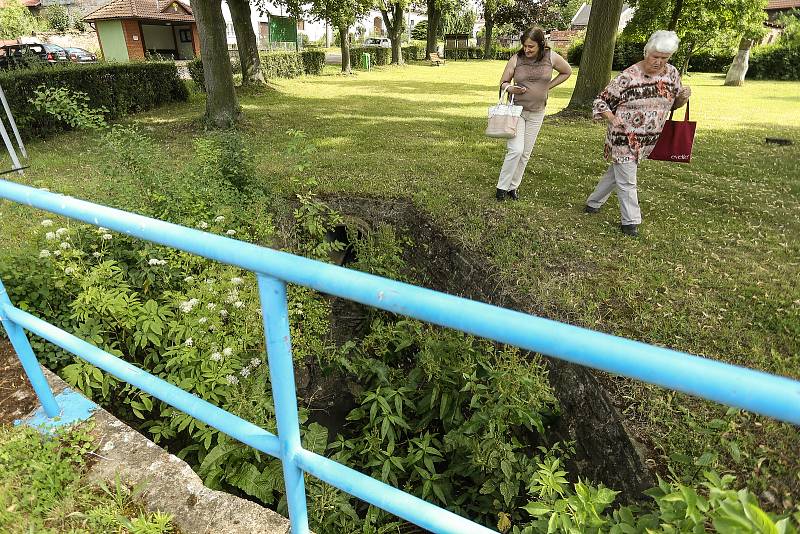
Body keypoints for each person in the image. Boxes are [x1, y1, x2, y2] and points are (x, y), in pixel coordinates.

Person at [584, 30, 692, 236]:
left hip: (648, 138)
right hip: (624, 136)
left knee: (617, 174)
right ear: (646, 52)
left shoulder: (672, 74)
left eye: (664, 58)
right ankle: (630, 222)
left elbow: (672, 105)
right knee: (627, 179)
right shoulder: (628, 76)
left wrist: (683, 98)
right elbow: (601, 100)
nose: (659, 62)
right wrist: (611, 117)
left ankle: (593, 203)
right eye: (655, 56)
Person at [495, 27, 572, 201]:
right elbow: (503, 82)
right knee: (516, 150)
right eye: (525, 46)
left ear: (541, 45)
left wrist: (548, 86)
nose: (527, 50)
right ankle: (501, 187)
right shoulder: (516, 59)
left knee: (525, 153)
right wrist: (511, 88)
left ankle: (513, 187)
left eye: (531, 46)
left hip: (537, 112)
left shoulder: (550, 57)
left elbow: (567, 71)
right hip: (517, 111)